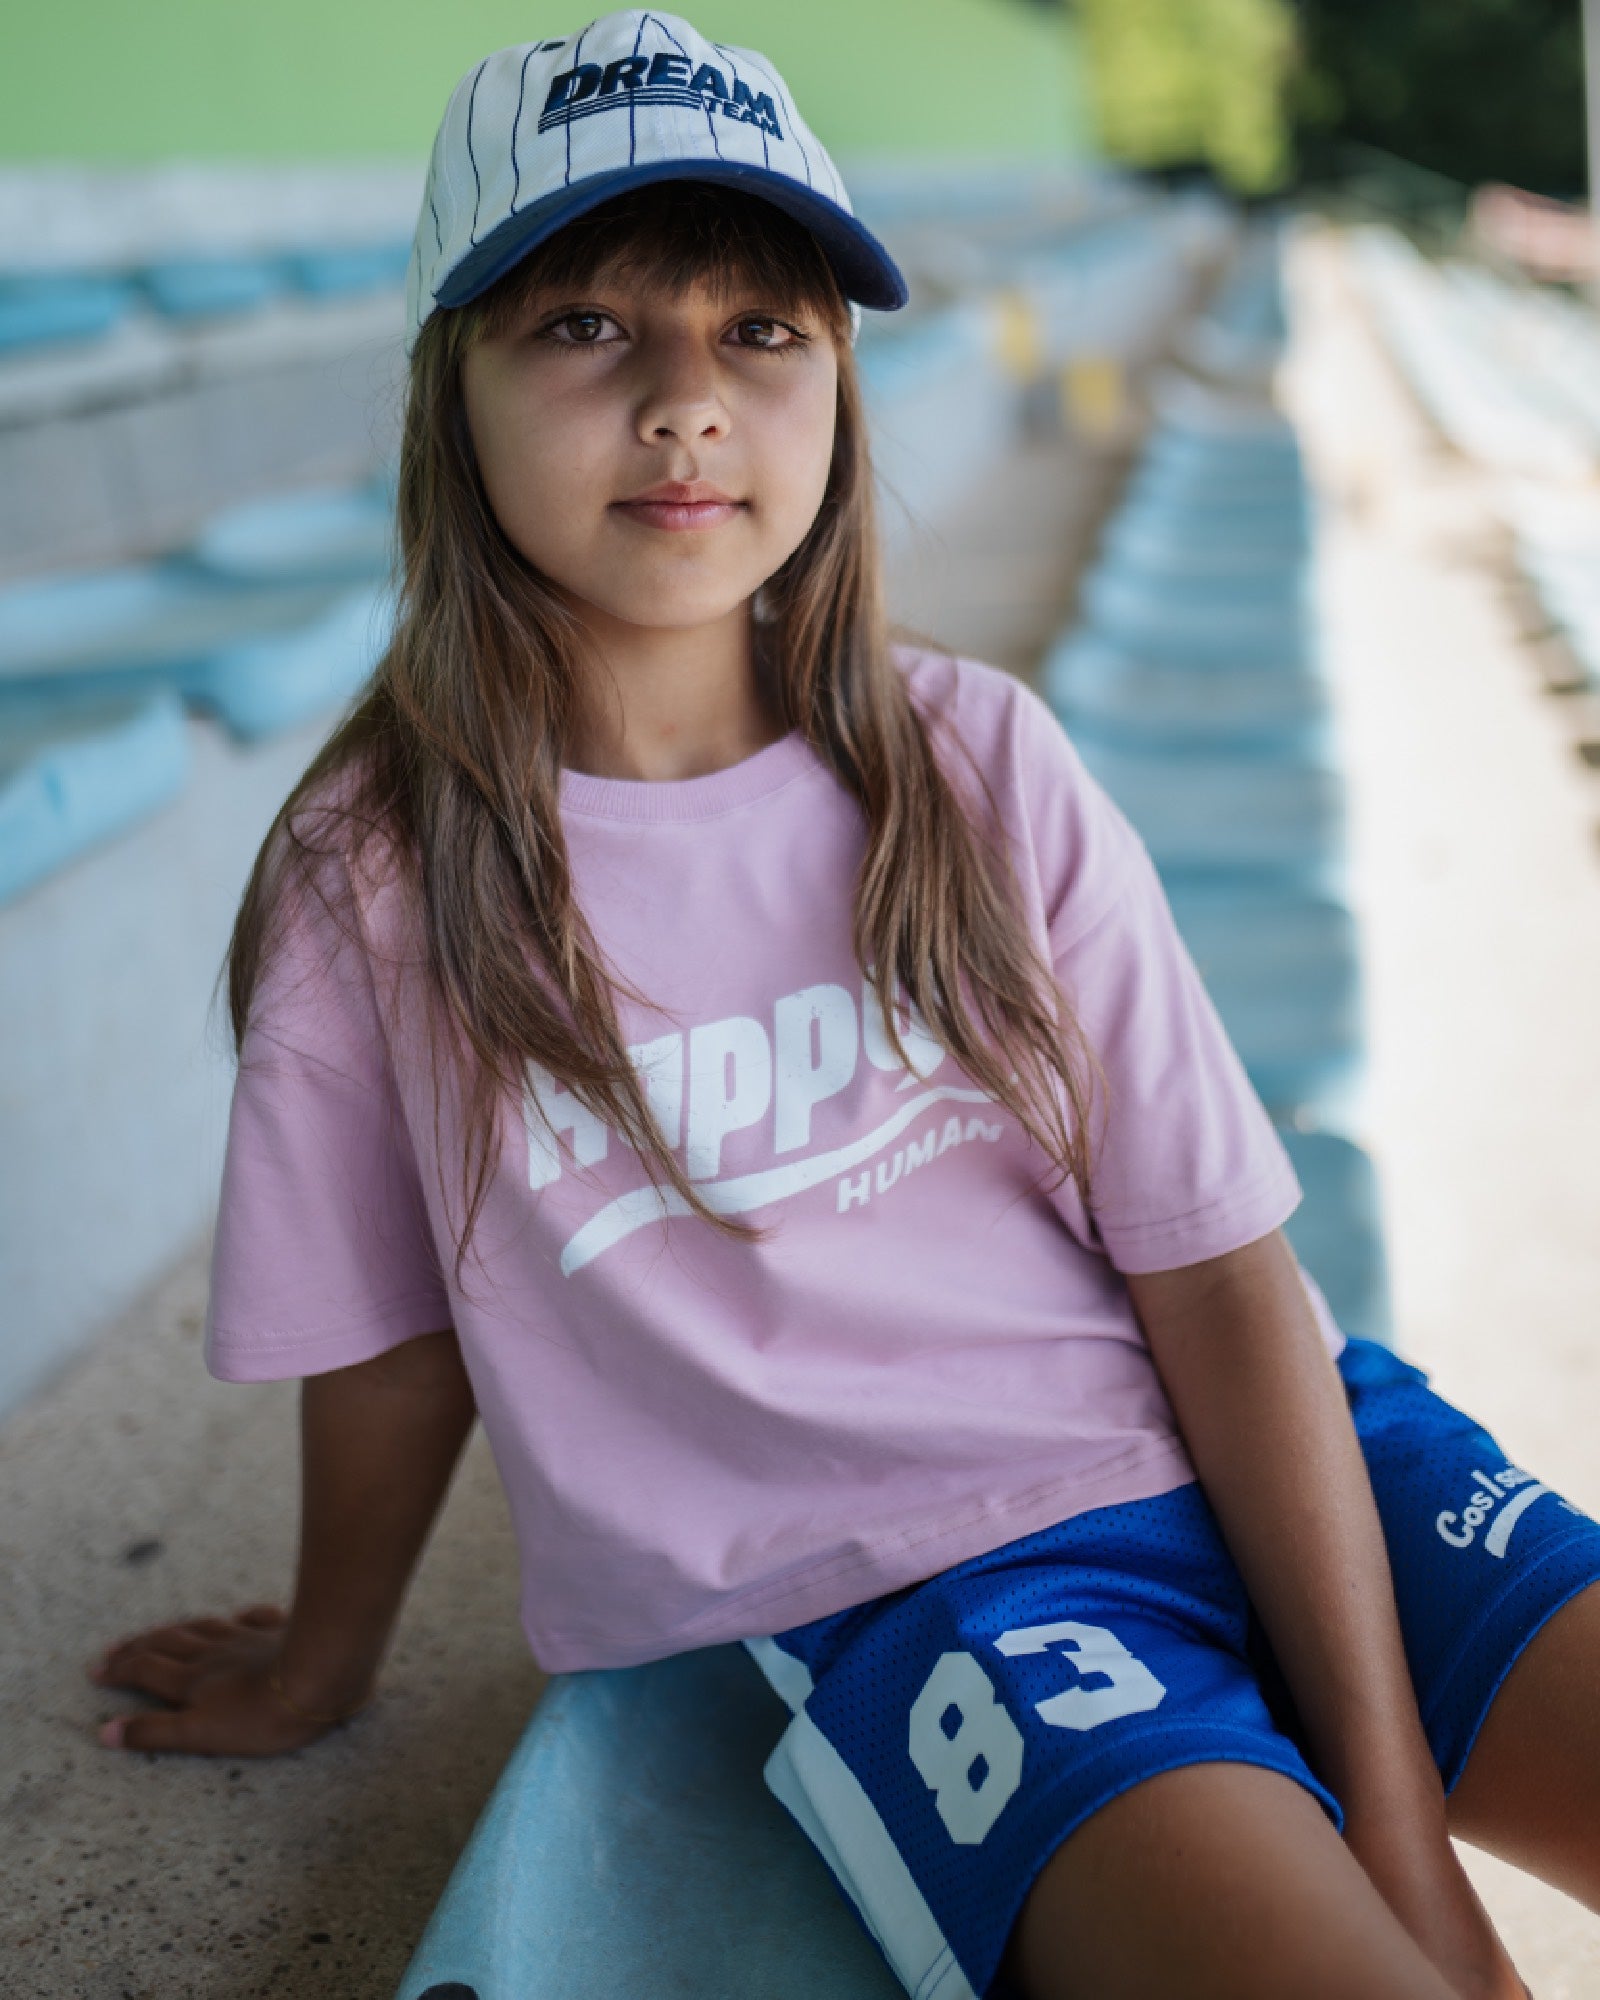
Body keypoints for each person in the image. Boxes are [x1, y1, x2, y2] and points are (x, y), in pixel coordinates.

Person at [86, 14, 1600, 1999]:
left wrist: (1392, 1821)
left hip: (1311, 1448)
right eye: (585, 329)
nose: (684, 406)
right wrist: (318, 1657)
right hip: (952, 1602)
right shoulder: (377, 876)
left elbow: (1219, 1275)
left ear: (841, 382)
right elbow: (392, 1340)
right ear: (447, 383)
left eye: (759, 332)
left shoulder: (968, 759)